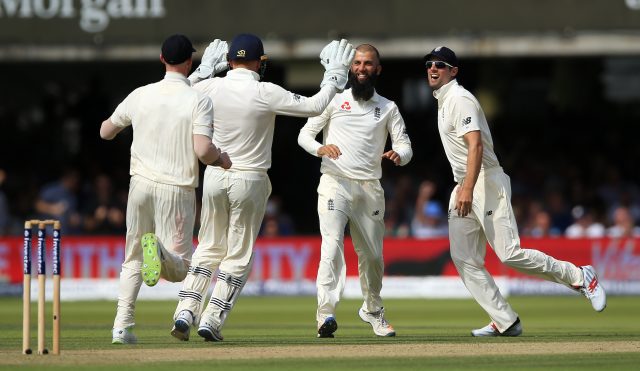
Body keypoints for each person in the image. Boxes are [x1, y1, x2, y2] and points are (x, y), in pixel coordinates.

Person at [170, 34, 355, 342]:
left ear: (229, 61)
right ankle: (212, 319)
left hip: (215, 174)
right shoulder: (264, 90)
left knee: (209, 246)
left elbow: (176, 95)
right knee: (238, 254)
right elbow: (313, 106)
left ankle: (185, 311)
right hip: (251, 178)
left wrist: (203, 71)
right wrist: (333, 78)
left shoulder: (209, 86)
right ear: (259, 62)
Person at [423, 46, 606, 337]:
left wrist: (468, 188)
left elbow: (476, 145)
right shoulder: (444, 100)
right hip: (465, 183)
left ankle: (581, 276)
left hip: (484, 181)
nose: (433, 68)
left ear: (453, 71)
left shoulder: (460, 98)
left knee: (508, 253)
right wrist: (463, 186)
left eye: (440, 65)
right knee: (464, 258)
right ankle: (505, 320)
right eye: (430, 64)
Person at [100, 34, 231, 345]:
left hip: (140, 185)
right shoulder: (199, 100)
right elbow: (203, 151)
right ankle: (157, 251)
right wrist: (221, 159)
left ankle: (122, 327)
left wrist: (124, 125)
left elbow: (106, 131)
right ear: (189, 62)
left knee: (132, 257)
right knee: (181, 270)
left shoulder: (141, 94)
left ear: (161, 59)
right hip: (177, 188)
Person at [298, 44, 413, 338]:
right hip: (335, 182)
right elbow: (304, 135)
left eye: (368, 63)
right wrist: (320, 148)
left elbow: (405, 145)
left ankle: (373, 311)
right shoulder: (334, 101)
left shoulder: (387, 107)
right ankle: (325, 315)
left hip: (370, 188)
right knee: (331, 246)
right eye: (358, 63)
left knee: (373, 256)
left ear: (378, 69)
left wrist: (399, 155)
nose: (362, 68)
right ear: (351, 67)